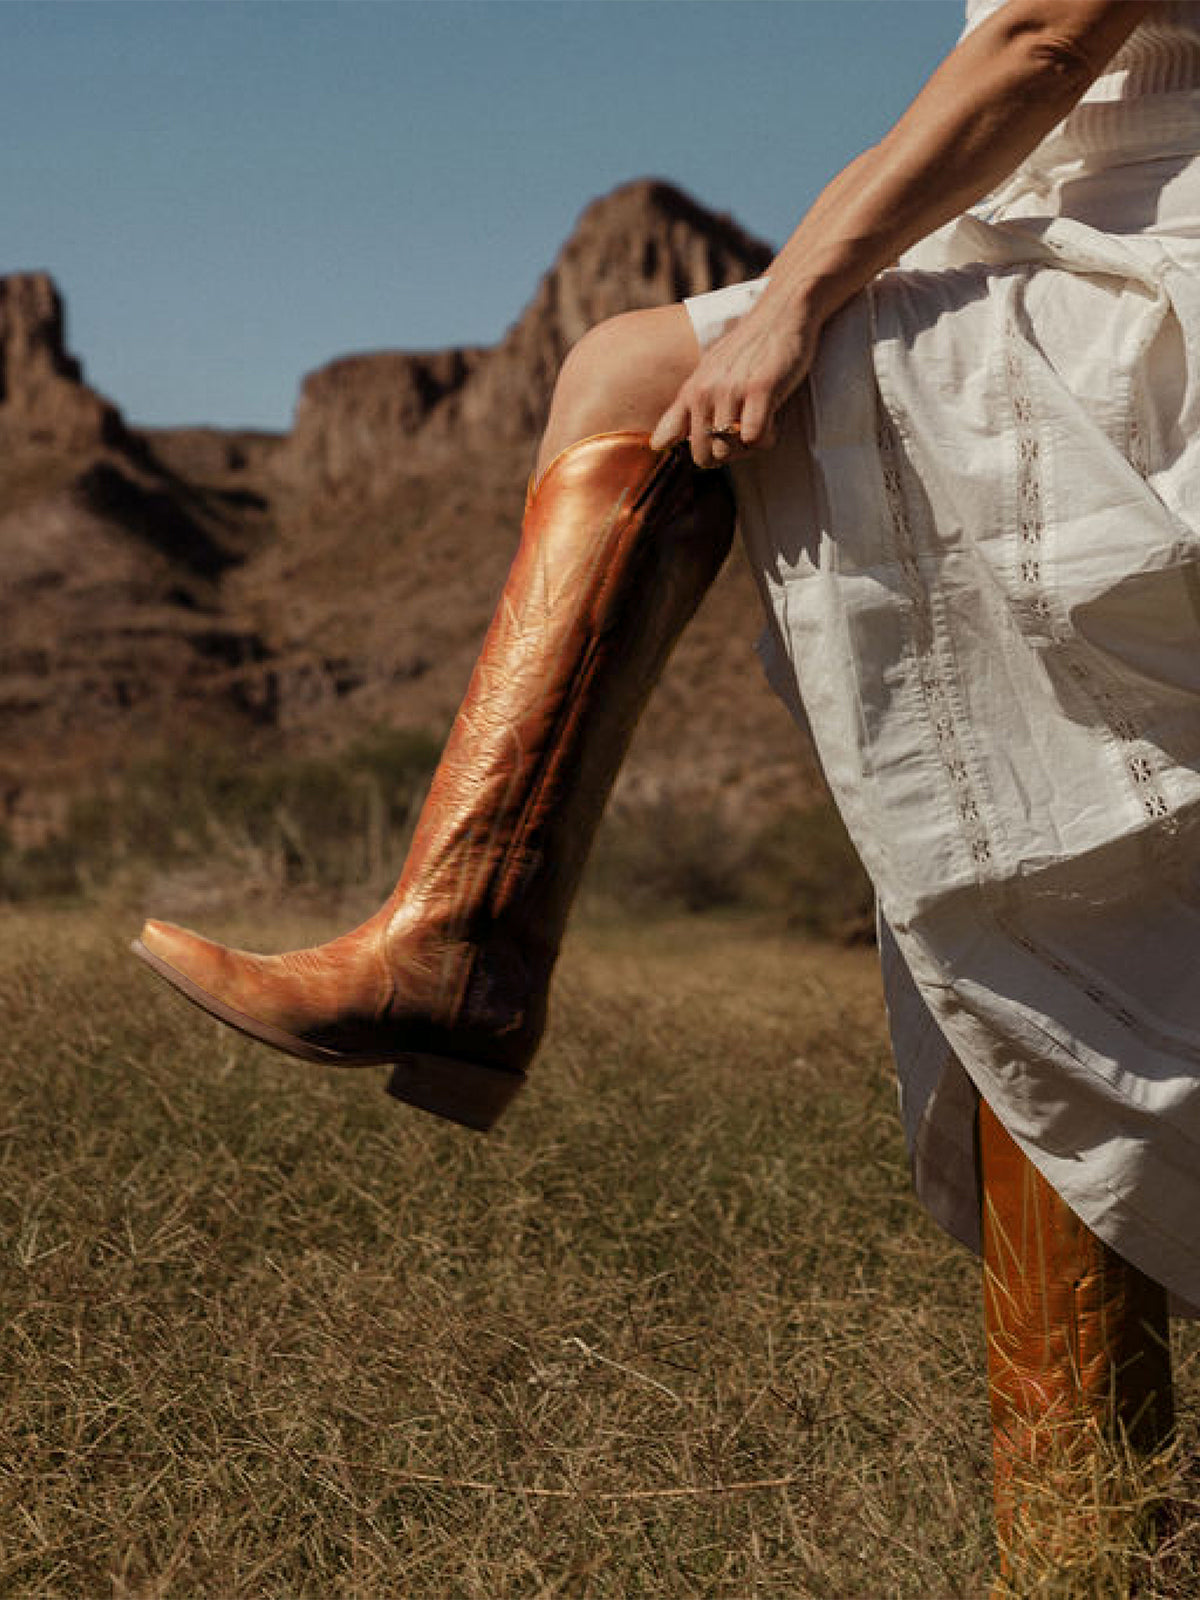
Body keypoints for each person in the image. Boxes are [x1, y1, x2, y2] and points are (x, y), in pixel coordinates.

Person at [133, 0, 1198, 1578]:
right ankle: (462, 944)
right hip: (1068, 231)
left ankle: (464, 942)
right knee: (1005, 865)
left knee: (635, 368)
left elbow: (1041, 42)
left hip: (1154, 267)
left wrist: (799, 297)